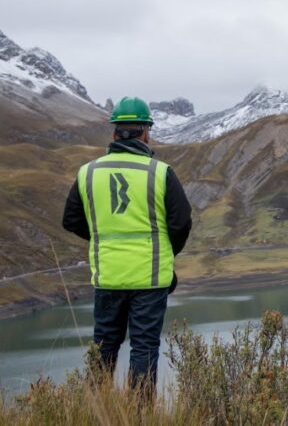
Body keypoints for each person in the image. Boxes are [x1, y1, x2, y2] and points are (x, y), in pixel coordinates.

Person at [62, 96, 192, 393]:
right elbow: (181, 222)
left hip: (108, 276)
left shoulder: (88, 172)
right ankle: (140, 416)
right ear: (146, 131)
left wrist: (102, 238)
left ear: (114, 132)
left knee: (104, 344)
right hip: (150, 278)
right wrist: (165, 254)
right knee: (144, 347)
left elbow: (70, 220)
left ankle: (97, 410)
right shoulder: (160, 172)